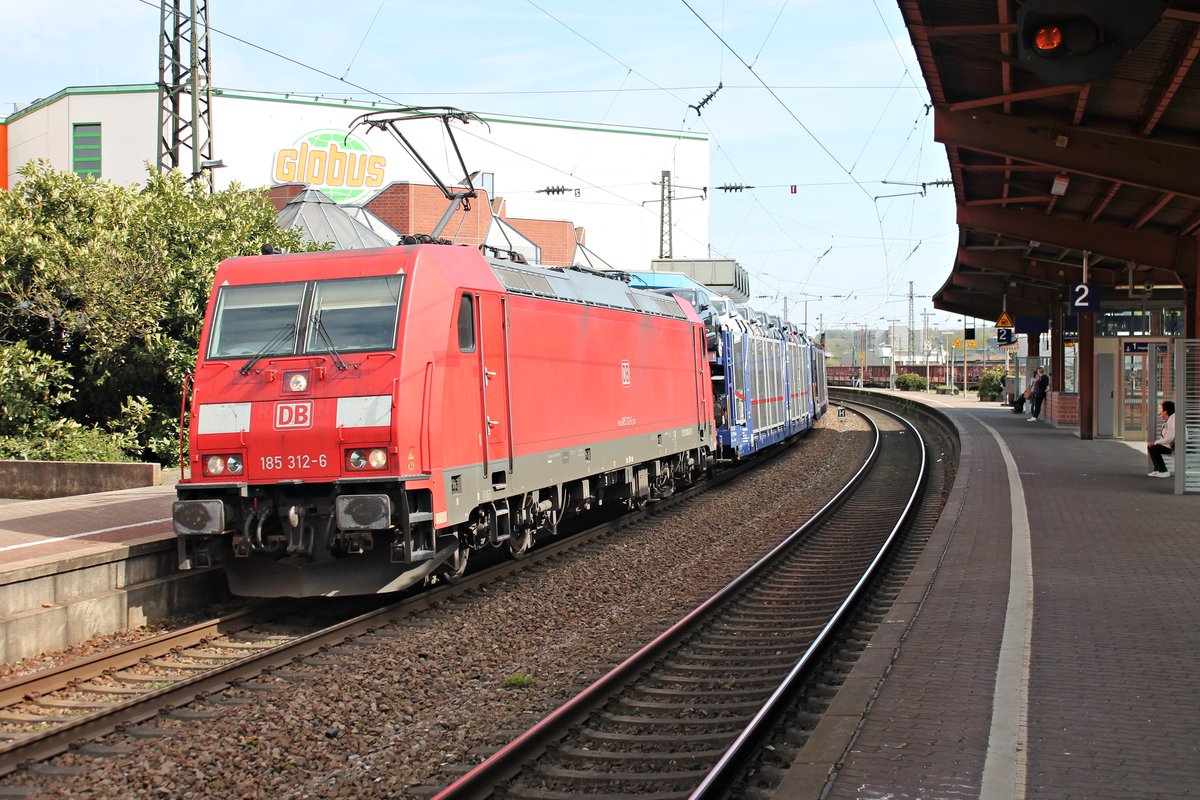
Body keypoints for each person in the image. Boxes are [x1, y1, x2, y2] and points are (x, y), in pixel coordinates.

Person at [1148, 400, 1176, 477]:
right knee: (1151, 446)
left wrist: (1155, 442)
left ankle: (1164, 471)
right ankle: (1157, 469)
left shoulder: (1173, 421)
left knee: (1153, 448)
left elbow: (1169, 438)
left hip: (1173, 446)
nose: (1159, 411)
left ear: (1166, 411)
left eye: (1161, 409)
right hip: (1170, 444)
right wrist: (1155, 443)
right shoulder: (1169, 420)